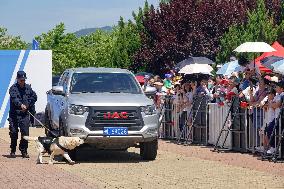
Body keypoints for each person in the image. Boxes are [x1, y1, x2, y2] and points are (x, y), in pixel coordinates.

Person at [8, 71, 37, 158]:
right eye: (21, 80)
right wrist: (21, 105)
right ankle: (13, 150)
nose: (22, 81)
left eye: (24, 80)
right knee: (14, 133)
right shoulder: (13, 88)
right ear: (17, 79)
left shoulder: (28, 88)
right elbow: (14, 99)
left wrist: (28, 105)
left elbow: (34, 97)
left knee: (25, 133)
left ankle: (23, 150)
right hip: (14, 115)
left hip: (24, 115)